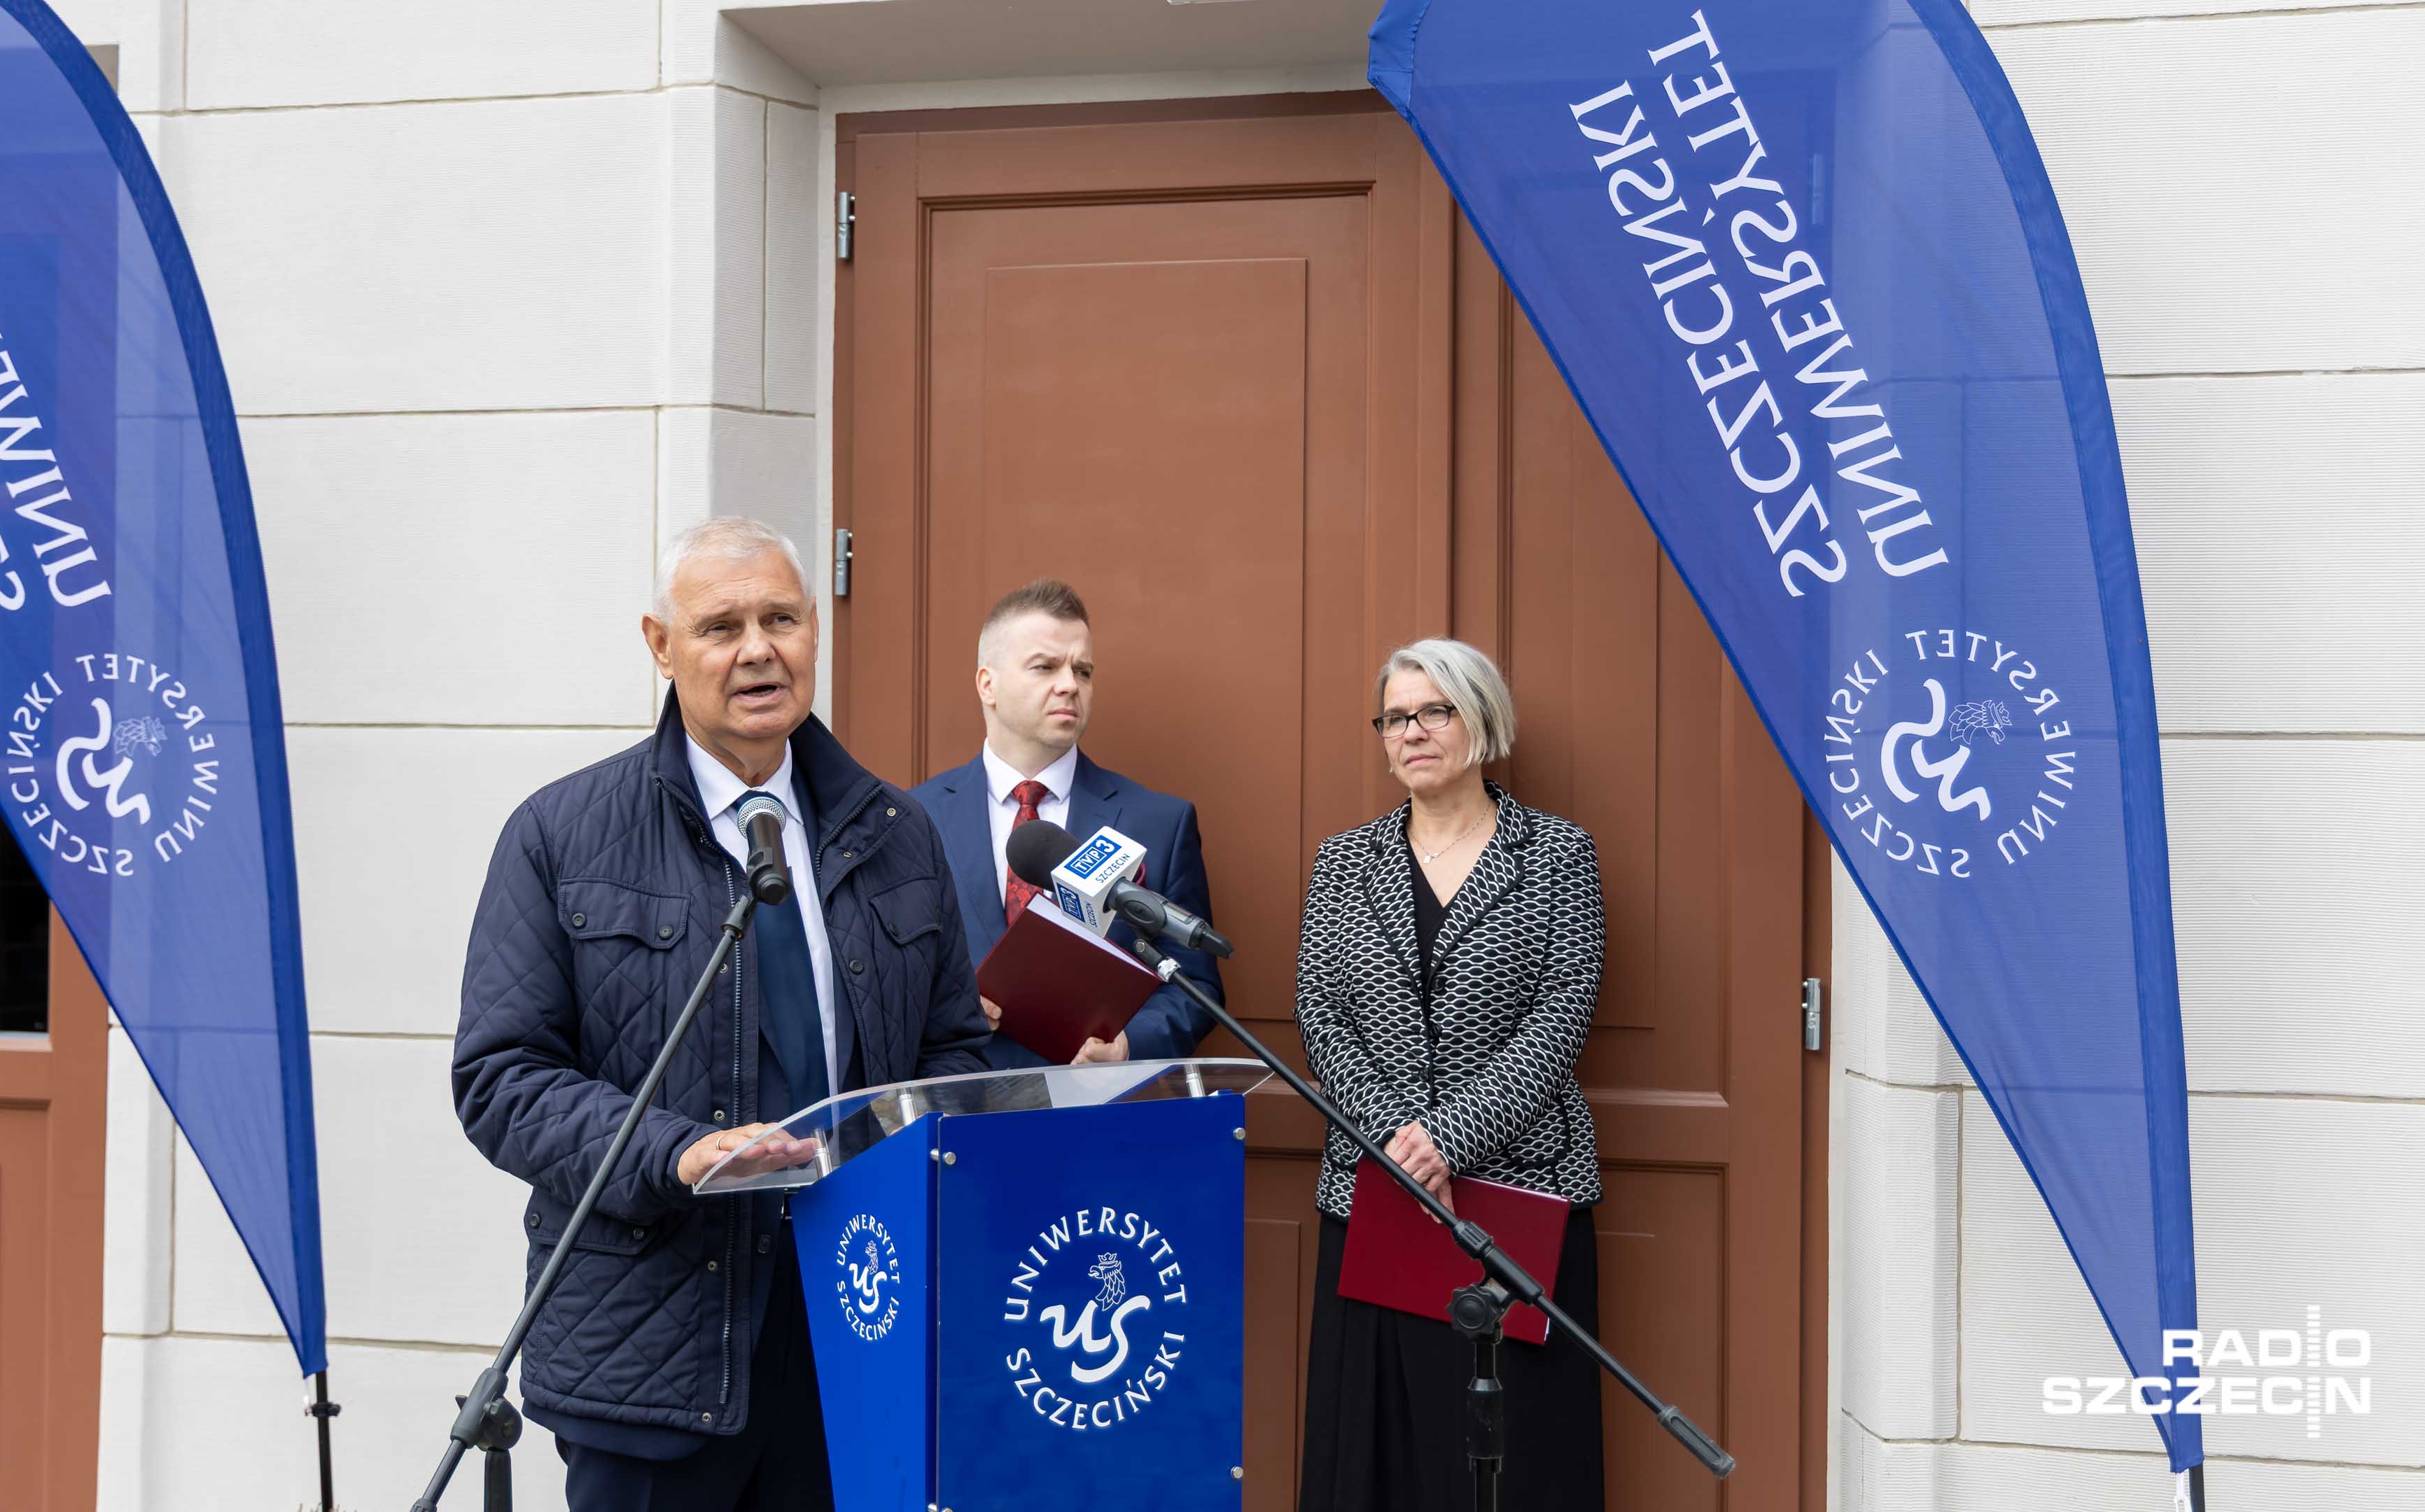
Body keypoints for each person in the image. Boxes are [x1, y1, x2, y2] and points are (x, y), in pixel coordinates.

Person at [452, 517, 991, 1512]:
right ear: (660, 645)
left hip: (855, 1327)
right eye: (720, 627)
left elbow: (954, 1051)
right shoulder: (560, 835)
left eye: (780, 619)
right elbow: (502, 1079)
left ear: (816, 629)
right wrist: (675, 1152)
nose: (757, 650)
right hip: (651, 1345)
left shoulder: (898, 834)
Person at [1294, 638, 1607, 1512]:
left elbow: (1561, 1019)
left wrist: (1446, 1140)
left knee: (1516, 1459)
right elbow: (1320, 1013)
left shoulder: (1558, 856)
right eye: (1395, 718)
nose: (1412, 732)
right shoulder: (1343, 862)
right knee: (1382, 1457)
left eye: (1435, 711)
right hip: (1377, 1196)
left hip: (1518, 1198)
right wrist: (1398, 1145)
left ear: (1482, 721)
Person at [909, 578, 1221, 1068]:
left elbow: (1195, 987)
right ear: (988, 684)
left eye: (1083, 670)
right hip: (960, 1099)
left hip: (1097, 1105)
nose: (1070, 685)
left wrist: (1129, 1045)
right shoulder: (915, 817)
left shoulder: (1160, 823)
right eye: (1045, 667)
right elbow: (883, 978)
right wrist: (943, 1008)